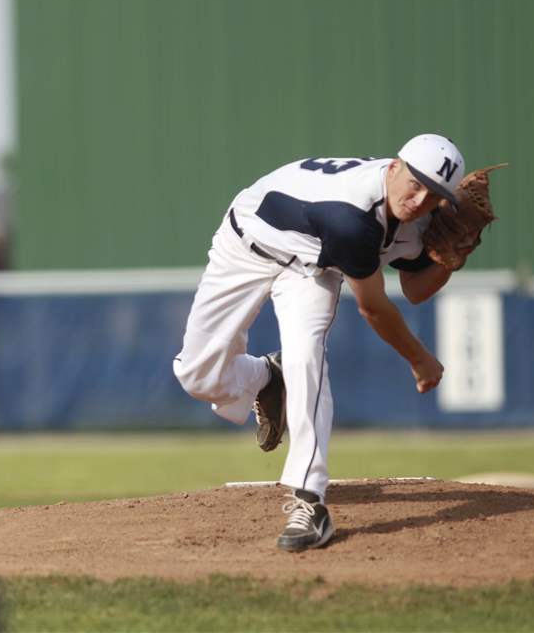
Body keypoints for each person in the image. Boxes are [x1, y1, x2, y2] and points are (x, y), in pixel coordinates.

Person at [173, 135, 469, 552]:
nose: (419, 199)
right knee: (197, 376)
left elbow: (416, 289)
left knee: (306, 359)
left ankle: (309, 501)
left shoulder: (420, 218)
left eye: (433, 194)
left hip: (313, 269)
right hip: (248, 242)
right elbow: (374, 309)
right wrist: (420, 360)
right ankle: (266, 376)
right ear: (394, 167)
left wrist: (453, 259)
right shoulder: (352, 217)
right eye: (415, 182)